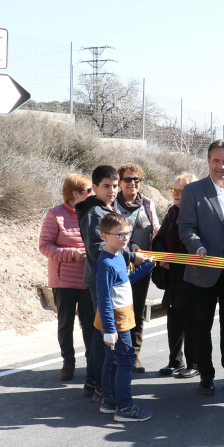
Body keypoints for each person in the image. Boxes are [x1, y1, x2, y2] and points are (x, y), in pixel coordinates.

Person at [178, 141, 224, 395]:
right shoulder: (193, 190)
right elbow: (186, 228)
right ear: (208, 161)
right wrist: (197, 248)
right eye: (216, 161)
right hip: (204, 270)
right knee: (202, 325)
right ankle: (206, 375)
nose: (222, 166)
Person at [76, 165, 145, 403]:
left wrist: (131, 248)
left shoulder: (108, 207)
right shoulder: (94, 213)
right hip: (101, 280)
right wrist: (131, 257)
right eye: (107, 186)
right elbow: (97, 249)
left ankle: (95, 382)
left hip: (111, 278)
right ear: (93, 188)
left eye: (115, 186)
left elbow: (119, 237)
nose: (113, 190)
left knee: (100, 334)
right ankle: (101, 387)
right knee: (106, 334)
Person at [94, 212, 155, 421]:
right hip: (115, 321)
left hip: (121, 317)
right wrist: (110, 329)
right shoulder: (105, 264)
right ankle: (125, 408)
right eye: (119, 235)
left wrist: (147, 267)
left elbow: (125, 281)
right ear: (104, 236)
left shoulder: (119, 255)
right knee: (126, 361)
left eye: (127, 233)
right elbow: (103, 299)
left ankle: (110, 402)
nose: (125, 238)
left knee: (112, 361)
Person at [39, 174, 96, 383]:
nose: (93, 193)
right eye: (89, 190)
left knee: (90, 324)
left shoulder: (93, 212)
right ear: (75, 193)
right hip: (64, 281)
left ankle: (93, 363)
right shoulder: (55, 215)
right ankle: (68, 362)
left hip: (88, 278)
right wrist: (72, 254)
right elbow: (45, 246)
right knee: (65, 323)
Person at [114, 163, 160, 373]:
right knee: (118, 311)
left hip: (142, 269)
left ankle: (134, 355)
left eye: (136, 180)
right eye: (127, 179)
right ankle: (116, 355)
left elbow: (156, 230)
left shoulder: (148, 204)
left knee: (138, 310)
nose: (132, 183)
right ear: (120, 181)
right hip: (117, 266)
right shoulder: (112, 203)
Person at [152, 173, 197, 376]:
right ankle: (175, 361)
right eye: (175, 190)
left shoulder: (198, 213)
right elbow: (159, 238)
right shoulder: (172, 212)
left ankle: (194, 364)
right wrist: (162, 258)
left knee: (191, 321)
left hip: (192, 276)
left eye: (182, 191)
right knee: (174, 319)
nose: (177, 195)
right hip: (173, 277)